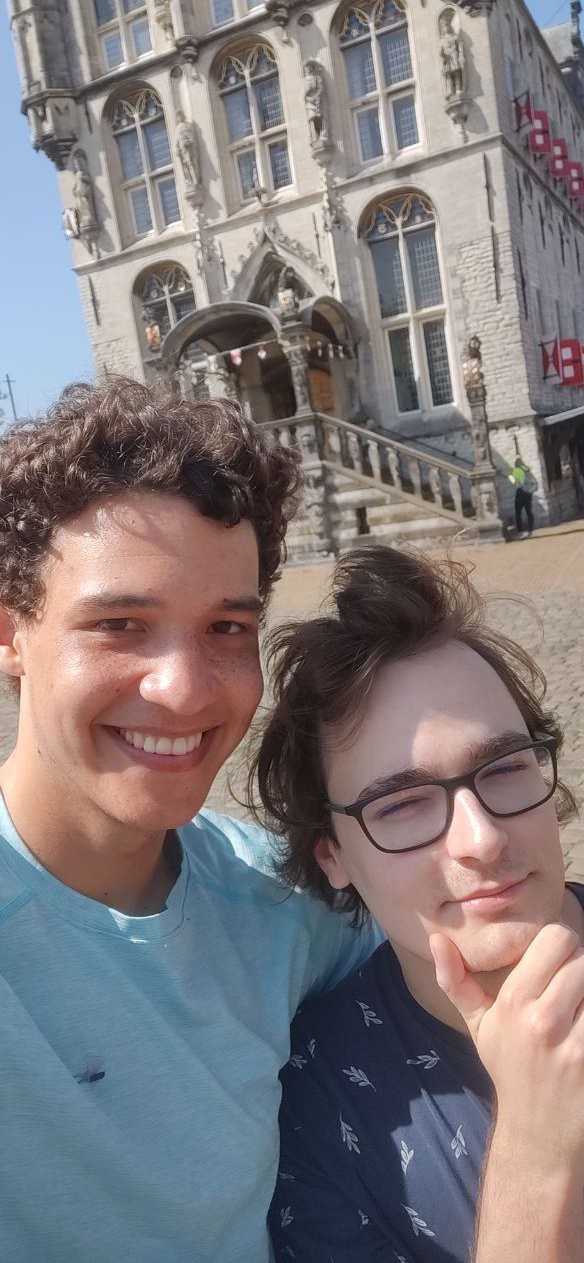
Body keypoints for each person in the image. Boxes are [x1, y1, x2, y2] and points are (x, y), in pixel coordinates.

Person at [0, 376, 380, 1262]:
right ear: (12, 633)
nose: (183, 690)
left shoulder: (283, 905)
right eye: (120, 623)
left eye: (225, 629)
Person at [254, 546, 584, 1263]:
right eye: (401, 805)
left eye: (504, 767)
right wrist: (536, 1149)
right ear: (333, 857)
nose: (482, 839)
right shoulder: (317, 1110)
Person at [508, 455, 537, 536]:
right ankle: (531, 529)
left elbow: (513, 482)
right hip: (528, 493)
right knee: (529, 511)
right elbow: (534, 483)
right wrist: (530, 491)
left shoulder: (515, 471)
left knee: (518, 512)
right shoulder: (527, 471)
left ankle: (520, 530)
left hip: (520, 492)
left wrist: (508, 476)